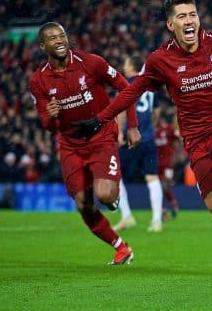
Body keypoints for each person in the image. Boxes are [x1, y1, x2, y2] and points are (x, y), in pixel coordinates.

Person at [71, 0, 212, 276]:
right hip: (197, 140)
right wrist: (100, 119)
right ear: (171, 25)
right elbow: (132, 90)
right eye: (182, 16)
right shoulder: (161, 59)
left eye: (193, 15)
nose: (190, 21)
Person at [29, 21, 141, 265]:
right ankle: (121, 247)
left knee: (105, 194)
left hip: (101, 137)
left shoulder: (92, 63)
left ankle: (112, 195)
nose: (59, 40)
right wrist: (50, 114)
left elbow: (126, 88)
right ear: (42, 46)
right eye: (52, 38)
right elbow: (47, 124)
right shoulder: (38, 81)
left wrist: (132, 125)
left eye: (61, 35)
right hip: (70, 145)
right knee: (82, 203)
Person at [113, 54, 164, 233]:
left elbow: (122, 110)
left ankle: (127, 217)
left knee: (116, 175)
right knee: (152, 177)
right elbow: (156, 112)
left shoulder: (125, 83)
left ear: (132, 66)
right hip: (148, 138)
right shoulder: (150, 86)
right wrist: (150, 127)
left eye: (126, 63)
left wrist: (119, 131)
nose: (124, 66)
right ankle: (157, 221)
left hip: (130, 138)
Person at [155, 113, 180, 219]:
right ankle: (164, 210)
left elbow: (178, 137)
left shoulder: (169, 129)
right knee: (160, 188)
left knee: (165, 186)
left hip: (168, 164)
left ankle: (172, 205)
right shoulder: (154, 132)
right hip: (158, 164)